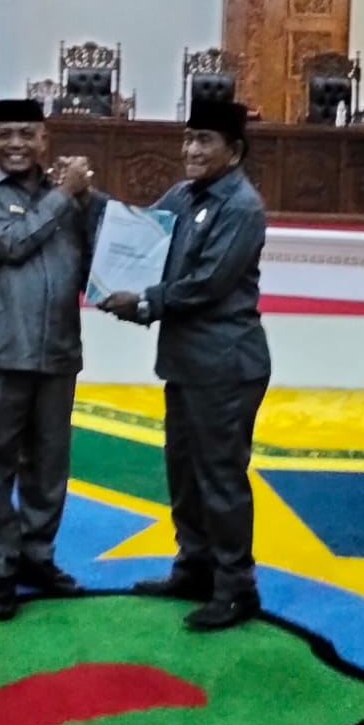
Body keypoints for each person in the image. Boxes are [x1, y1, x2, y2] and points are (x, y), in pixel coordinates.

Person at [98, 99, 271, 631]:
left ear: (234, 151)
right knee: (185, 472)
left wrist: (142, 302)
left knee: (219, 477)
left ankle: (236, 587)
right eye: (188, 138)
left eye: (204, 141)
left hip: (226, 365)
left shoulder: (241, 207)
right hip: (187, 362)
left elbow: (208, 284)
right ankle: (194, 568)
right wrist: (86, 200)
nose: (191, 150)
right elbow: (139, 233)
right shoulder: (184, 194)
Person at [0, 98, 104, 620]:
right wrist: (65, 195)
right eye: (5, 134)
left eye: (27, 134)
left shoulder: (71, 195)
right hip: (1, 351)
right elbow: (12, 243)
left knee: (49, 464)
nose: (16, 144)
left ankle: (37, 558)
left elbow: (102, 256)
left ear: (45, 140)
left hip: (58, 351)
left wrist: (86, 197)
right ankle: (0, 571)